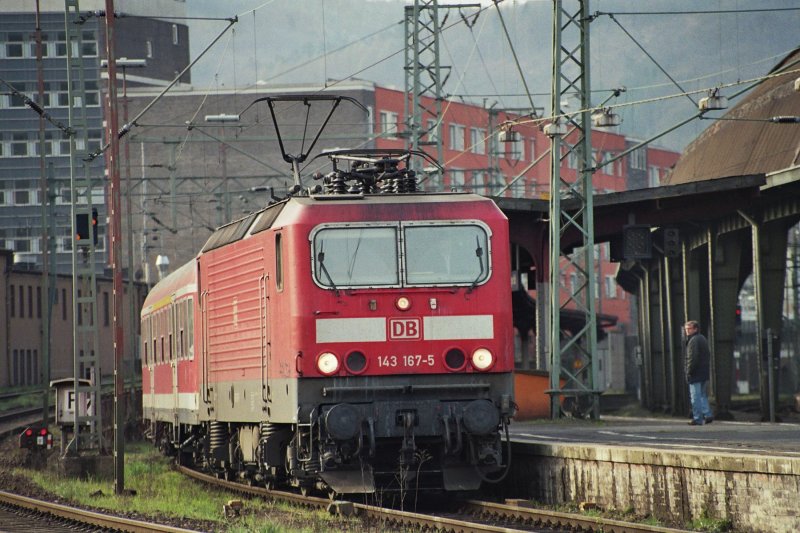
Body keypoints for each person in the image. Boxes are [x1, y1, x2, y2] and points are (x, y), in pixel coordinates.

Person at [684, 320, 714, 425]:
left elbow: (693, 358)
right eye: (686, 329)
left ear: (695, 329)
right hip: (703, 372)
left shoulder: (693, 341)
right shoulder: (702, 338)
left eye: (689, 329)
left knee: (695, 397)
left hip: (695, 373)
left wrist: (689, 371)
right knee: (702, 395)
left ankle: (697, 418)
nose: (687, 331)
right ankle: (708, 414)